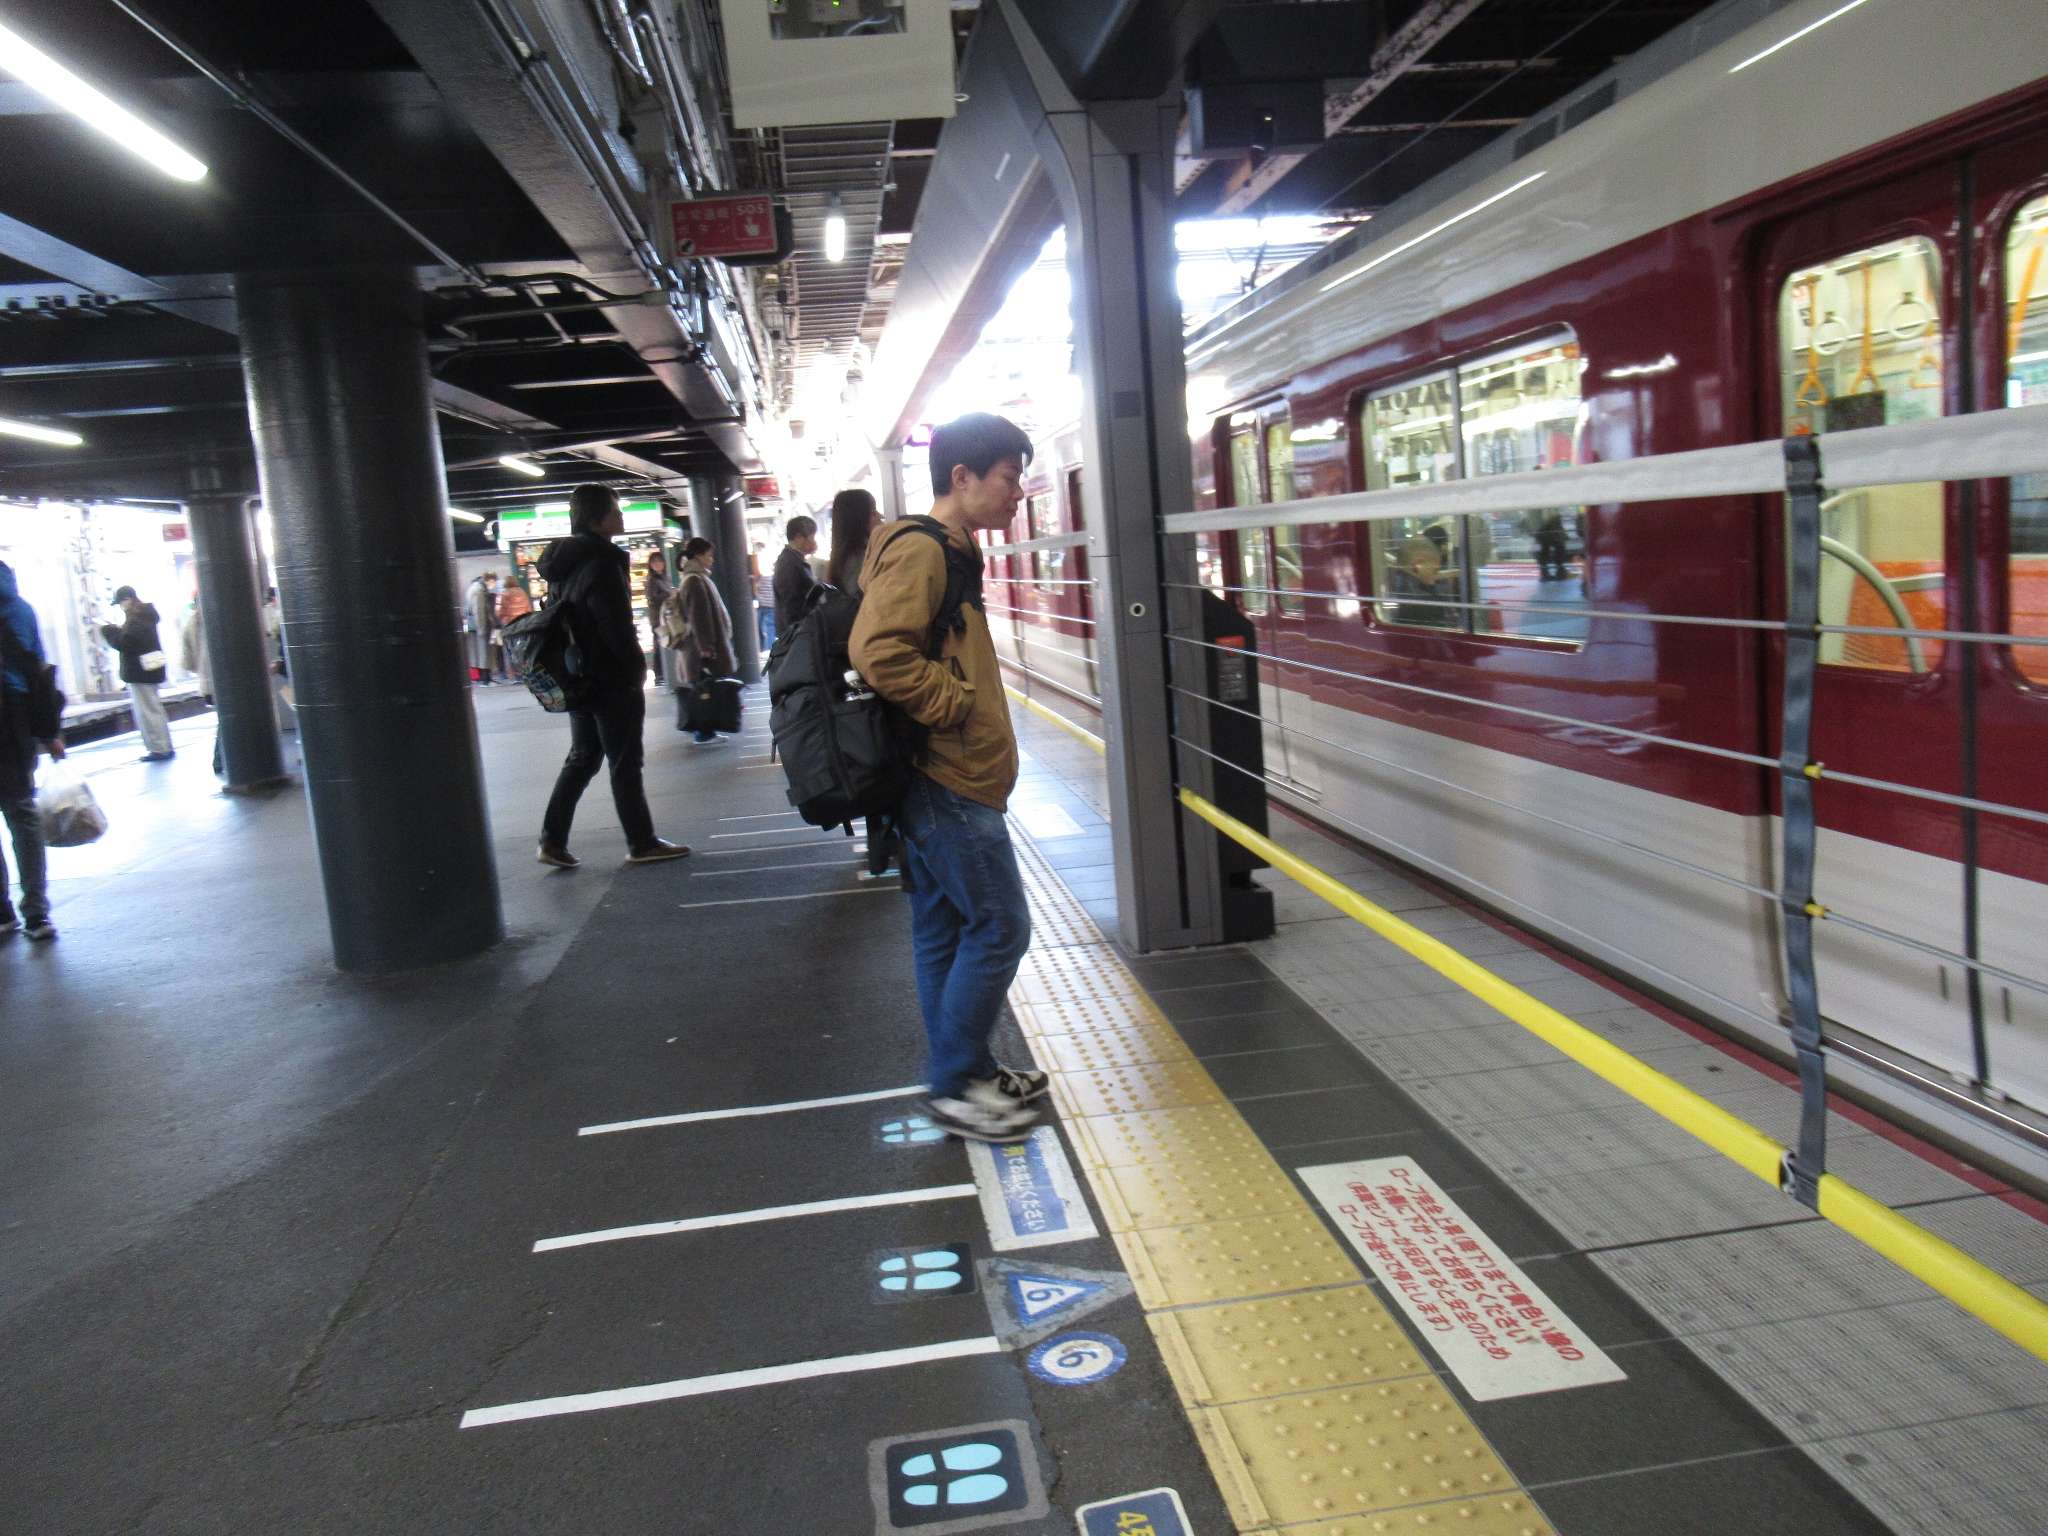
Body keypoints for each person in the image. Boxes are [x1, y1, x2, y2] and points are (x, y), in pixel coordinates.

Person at [850, 413, 1048, 1143]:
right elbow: (878, 649)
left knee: (941, 929)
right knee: (1000, 925)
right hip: (946, 773)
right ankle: (954, 1084)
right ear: (961, 478)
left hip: (942, 771)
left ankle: (962, 1072)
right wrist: (954, 708)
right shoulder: (924, 552)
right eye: (1007, 476)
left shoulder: (949, 550)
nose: (1018, 491)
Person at [535, 486, 689, 869]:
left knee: (583, 757)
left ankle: (551, 840)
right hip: (609, 677)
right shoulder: (602, 563)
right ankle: (641, 842)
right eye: (615, 511)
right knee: (624, 761)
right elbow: (614, 627)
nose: (620, 518)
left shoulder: (562, 564)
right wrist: (637, 669)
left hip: (577, 675)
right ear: (596, 519)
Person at [0, 561, 63, 941]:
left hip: (12, 716)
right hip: (15, 718)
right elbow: (37, 670)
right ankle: (36, 913)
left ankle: (2, 913)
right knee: (22, 813)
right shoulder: (20, 609)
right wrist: (50, 732)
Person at [672, 537, 735, 745]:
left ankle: (705, 731)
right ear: (698, 555)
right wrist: (706, 648)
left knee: (704, 689)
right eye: (709, 555)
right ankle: (703, 732)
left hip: (696, 650)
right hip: (699, 651)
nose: (712, 560)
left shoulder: (694, 578)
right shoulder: (694, 580)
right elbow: (700, 617)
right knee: (703, 691)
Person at [99, 585, 174, 760]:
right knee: (153, 708)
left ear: (127, 600)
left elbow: (127, 643)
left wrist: (109, 632)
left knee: (147, 711)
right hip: (149, 669)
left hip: (140, 671)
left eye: (120, 602)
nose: (120, 606)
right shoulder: (145, 615)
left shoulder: (136, 618)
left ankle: (159, 748)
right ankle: (163, 746)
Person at [826, 488, 882, 597]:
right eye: (873, 512)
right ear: (859, 519)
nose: (880, 516)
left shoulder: (843, 556)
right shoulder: (860, 558)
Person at [773, 515, 819, 636]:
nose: (814, 542)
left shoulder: (793, 559)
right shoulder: (790, 563)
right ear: (799, 537)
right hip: (798, 635)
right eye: (812, 537)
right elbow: (791, 605)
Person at [643, 550, 673, 687]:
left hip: (667, 616)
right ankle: (659, 674)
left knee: (665, 643)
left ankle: (665, 672)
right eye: (654, 562)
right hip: (657, 617)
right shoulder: (652, 579)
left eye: (660, 561)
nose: (657, 564)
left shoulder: (665, 577)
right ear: (650, 564)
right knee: (659, 644)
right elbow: (652, 598)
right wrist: (669, 594)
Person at [465, 570, 499, 685]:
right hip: (480, 626)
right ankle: (485, 678)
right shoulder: (479, 591)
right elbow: (479, 611)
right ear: (489, 580)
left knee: (480, 653)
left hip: (475, 626)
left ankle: (483, 678)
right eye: (493, 581)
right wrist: (482, 628)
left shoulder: (475, 588)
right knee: (484, 653)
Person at [495, 576, 533, 678]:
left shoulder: (503, 594)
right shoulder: (522, 593)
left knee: (510, 650)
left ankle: (513, 673)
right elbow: (529, 609)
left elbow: (499, 612)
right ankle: (524, 672)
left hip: (509, 626)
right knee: (522, 648)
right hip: (522, 625)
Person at [753, 549, 776, 652]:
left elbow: (756, 589)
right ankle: (768, 652)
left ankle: (766, 651)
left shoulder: (760, 575)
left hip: (762, 606)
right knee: (769, 631)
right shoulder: (773, 576)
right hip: (770, 606)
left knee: (763, 632)